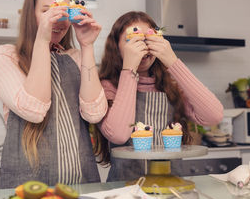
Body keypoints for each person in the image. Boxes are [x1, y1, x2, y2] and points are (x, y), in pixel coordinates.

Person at [0, 0, 107, 188]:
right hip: (28, 186)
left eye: (64, 11)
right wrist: (42, 40)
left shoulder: (76, 57)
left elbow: (95, 113)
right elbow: (33, 109)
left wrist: (87, 46)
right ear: (30, 15)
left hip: (81, 181)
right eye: (48, 11)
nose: (58, 19)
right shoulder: (7, 56)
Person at [94, 11, 224, 182]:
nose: (142, 46)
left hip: (171, 187)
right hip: (125, 189)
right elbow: (118, 135)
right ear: (116, 47)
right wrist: (129, 70)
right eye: (132, 39)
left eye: (147, 39)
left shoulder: (171, 86)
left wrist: (172, 61)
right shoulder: (107, 86)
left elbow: (214, 116)